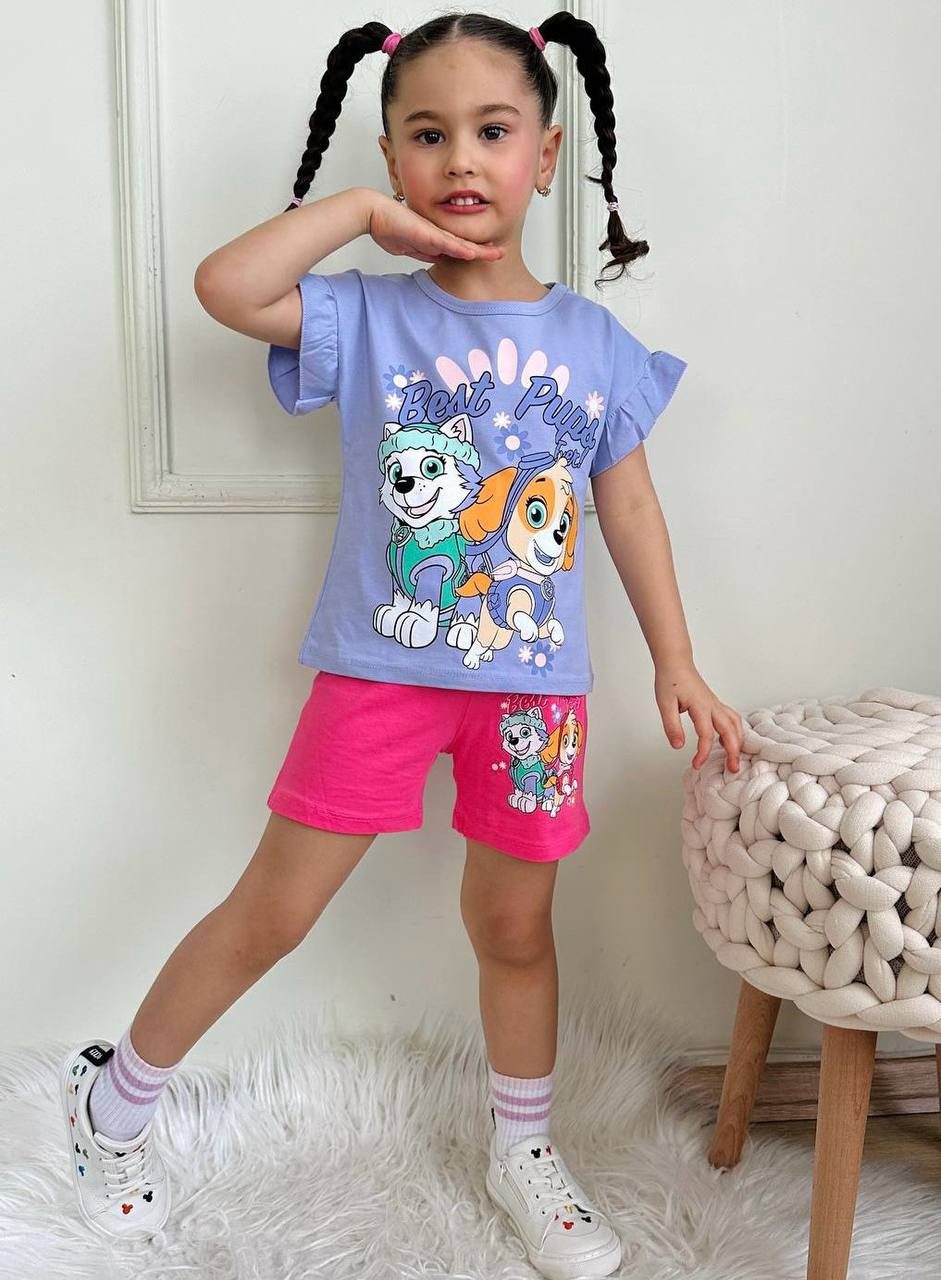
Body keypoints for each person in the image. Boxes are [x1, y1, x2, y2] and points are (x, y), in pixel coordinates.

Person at [60, 11, 744, 1277]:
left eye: (491, 130)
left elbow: (630, 508)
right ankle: (112, 1102)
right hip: (378, 672)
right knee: (275, 910)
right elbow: (225, 287)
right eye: (427, 135)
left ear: (546, 155)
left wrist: (675, 659)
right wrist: (361, 216)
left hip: (533, 694)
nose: (460, 159)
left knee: (514, 926)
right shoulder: (367, 316)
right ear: (391, 156)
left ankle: (521, 1148)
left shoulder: (595, 344)